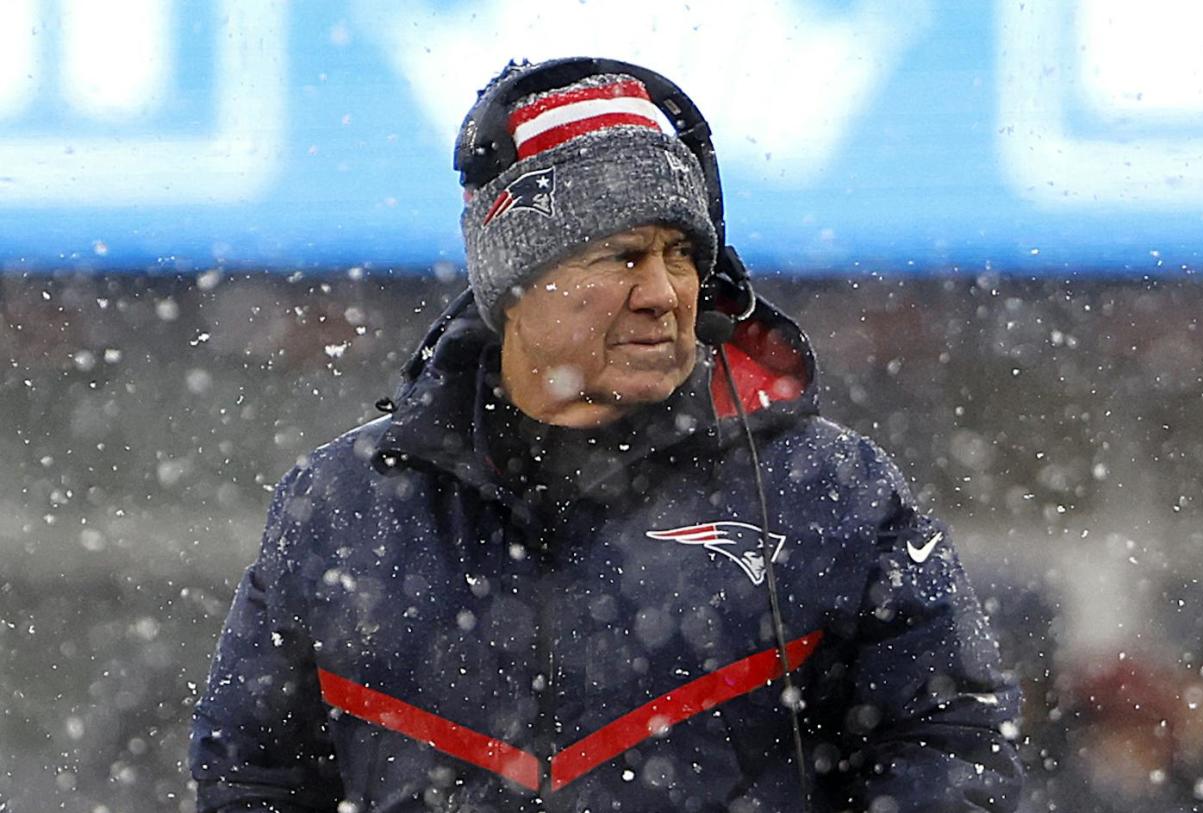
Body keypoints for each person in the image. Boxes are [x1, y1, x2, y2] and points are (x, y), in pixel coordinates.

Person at [190, 57, 1024, 812]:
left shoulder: (831, 491)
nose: (663, 293)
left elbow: (951, 751)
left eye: (681, 255)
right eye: (622, 256)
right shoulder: (341, 506)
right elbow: (250, 781)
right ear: (517, 284)